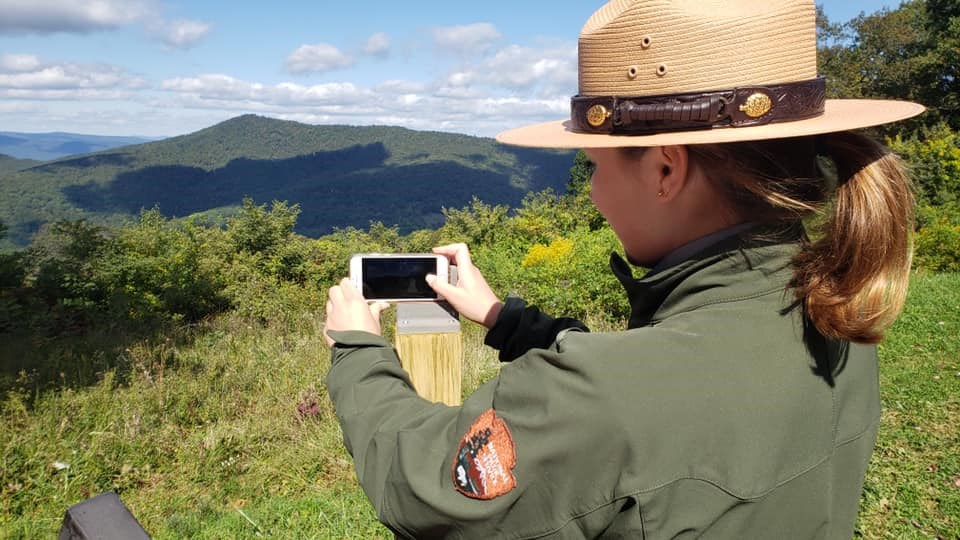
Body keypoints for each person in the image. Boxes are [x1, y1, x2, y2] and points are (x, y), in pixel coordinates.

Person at [323, 0, 925, 537]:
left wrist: (358, 349)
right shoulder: (840, 310)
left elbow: (422, 486)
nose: (593, 194)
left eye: (594, 167)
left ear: (666, 170)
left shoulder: (602, 402)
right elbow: (665, 386)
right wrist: (505, 319)